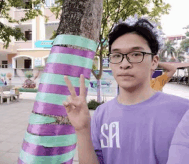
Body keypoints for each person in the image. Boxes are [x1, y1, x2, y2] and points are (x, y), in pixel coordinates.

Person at [63, 17, 189, 164]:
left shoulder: (183, 111)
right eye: (117, 56)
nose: (124, 64)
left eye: (135, 54)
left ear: (154, 61)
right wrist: (83, 130)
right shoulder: (101, 114)